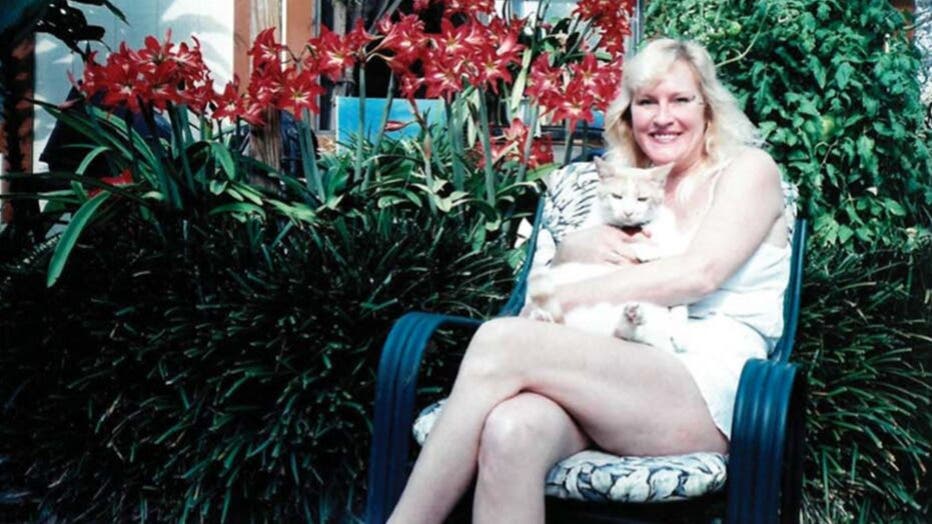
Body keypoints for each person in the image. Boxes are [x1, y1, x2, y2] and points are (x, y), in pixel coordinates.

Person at [386, 37, 791, 524]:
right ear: (629, 114)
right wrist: (574, 250)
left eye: (681, 99)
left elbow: (698, 273)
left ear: (707, 106)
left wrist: (572, 293)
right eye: (647, 102)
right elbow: (572, 277)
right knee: (511, 430)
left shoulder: (748, 170)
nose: (663, 117)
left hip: (704, 390)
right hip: (612, 372)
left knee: (500, 341)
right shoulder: (625, 186)